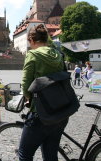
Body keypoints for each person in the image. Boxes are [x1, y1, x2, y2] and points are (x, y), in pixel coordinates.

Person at [19, 24, 68, 161]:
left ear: (33, 41)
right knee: (50, 154)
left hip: (41, 112)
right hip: (60, 110)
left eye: (30, 43)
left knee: (24, 153)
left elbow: (26, 85)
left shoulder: (33, 54)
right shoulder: (58, 54)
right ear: (46, 39)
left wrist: (28, 99)